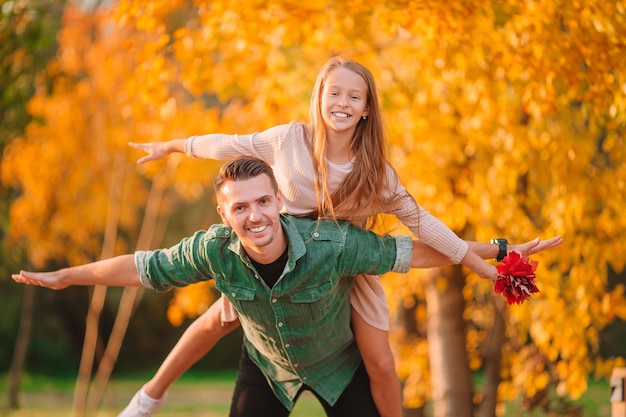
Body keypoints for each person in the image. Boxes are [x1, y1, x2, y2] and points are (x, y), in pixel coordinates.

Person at [123, 57, 561, 417]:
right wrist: (176, 145)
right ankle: (149, 396)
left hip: (346, 266)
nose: (342, 103)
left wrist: (489, 258)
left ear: (367, 108)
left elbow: (424, 228)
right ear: (319, 98)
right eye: (334, 93)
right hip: (279, 260)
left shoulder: (376, 176)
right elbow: (230, 144)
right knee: (217, 320)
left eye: (354, 96)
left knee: (382, 364)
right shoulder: (288, 140)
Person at [13, 157, 561, 417]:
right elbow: (142, 266)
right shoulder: (211, 250)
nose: (254, 216)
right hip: (268, 370)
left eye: (262, 201)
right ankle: (147, 397)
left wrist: (497, 249)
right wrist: (67, 276)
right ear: (224, 214)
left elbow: (409, 252)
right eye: (240, 207)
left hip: (338, 364)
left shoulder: (330, 243)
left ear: (278, 200)